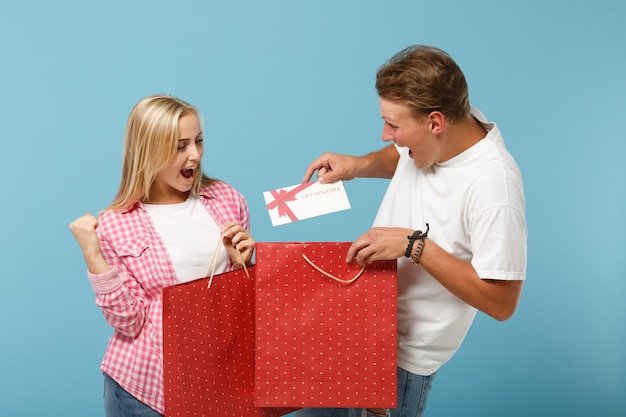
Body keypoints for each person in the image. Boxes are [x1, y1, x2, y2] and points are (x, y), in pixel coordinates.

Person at [296, 45, 527, 417]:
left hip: (399, 359)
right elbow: (407, 155)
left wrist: (414, 245)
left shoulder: (493, 186)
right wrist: (358, 165)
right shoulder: (453, 130)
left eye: (394, 124)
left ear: (436, 122)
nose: (386, 134)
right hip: (357, 327)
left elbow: (502, 303)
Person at [69, 94, 255, 416]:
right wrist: (93, 256)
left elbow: (240, 304)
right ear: (149, 150)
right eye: (180, 146)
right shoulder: (118, 223)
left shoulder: (226, 199)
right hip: (147, 387)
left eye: (198, 141)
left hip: (218, 376)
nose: (195, 155)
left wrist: (243, 265)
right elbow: (129, 321)